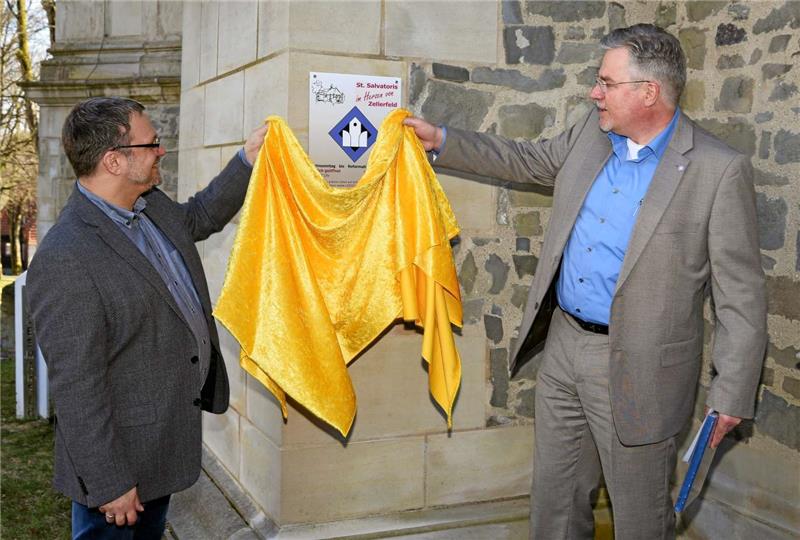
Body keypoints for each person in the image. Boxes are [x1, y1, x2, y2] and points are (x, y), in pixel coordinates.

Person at [405, 24, 766, 539]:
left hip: (643, 368)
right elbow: (527, 160)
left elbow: (742, 299)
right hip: (565, 348)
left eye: (606, 82)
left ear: (648, 93)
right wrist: (442, 140)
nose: (594, 93)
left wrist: (730, 392)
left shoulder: (717, 170)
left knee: (640, 518)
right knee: (554, 504)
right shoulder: (591, 134)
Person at [26, 97, 267, 539]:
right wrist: (110, 482)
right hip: (119, 473)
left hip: (160, 449)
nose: (161, 150)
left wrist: (246, 160)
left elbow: (198, 216)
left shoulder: (150, 206)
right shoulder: (66, 256)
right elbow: (78, 387)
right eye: (151, 143)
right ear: (114, 161)